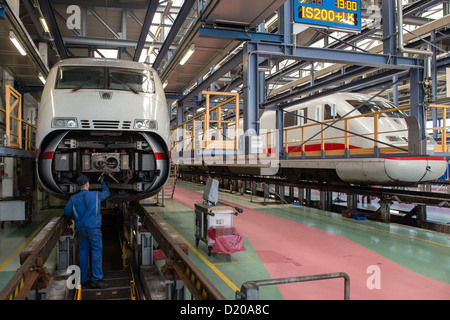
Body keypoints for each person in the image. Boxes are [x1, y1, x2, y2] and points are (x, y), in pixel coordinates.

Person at [64, 175, 110, 289]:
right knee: (96, 252)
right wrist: (103, 183)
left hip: (81, 229)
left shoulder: (73, 199)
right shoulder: (95, 195)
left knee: (83, 254)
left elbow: (67, 211)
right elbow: (106, 193)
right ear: (87, 184)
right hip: (94, 229)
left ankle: (84, 279)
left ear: (78, 186)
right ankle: (96, 279)